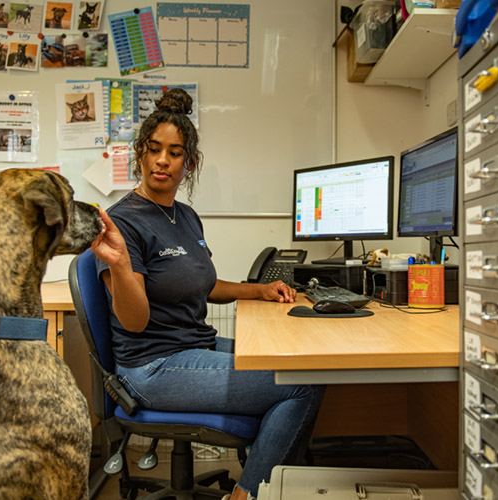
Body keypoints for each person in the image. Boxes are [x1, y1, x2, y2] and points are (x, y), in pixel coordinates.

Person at [90, 88, 324, 500]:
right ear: (141, 154)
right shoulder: (124, 222)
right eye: (154, 149)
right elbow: (134, 321)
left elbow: (204, 285)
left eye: (175, 152)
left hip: (194, 346)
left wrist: (260, 290)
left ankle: (266, 472)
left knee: (303, 366)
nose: (163, 160)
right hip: (153, 367)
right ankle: (249, 492)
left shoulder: (185, 216)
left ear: (190, 162)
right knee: (300, 386)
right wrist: (123, 266)